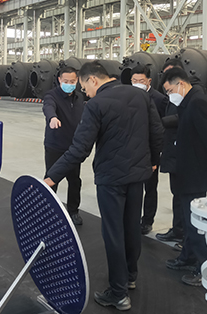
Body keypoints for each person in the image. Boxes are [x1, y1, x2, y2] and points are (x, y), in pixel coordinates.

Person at [44, 61, 164, 311]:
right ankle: (130, 277)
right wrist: (153, 161)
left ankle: (118, 293)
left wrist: (51, 177)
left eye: (84, 87)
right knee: (131, 227)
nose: (85, 93)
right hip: (137, 175)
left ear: (93, 80)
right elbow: (157, 131)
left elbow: (80, 149)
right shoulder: (140, 95)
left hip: (111, 179)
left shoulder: (96, 104)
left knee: (113, 233)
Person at [162, 67, 207, 286]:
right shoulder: (187, 102)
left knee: (195, 225)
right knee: (187, 220)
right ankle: (187, 257)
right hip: (185, 171)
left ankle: (206, 269)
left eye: (169, 90)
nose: (169, 95)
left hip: (195, 174)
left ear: (181, 84)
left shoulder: (198, 102)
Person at [42, 66, 85, 225]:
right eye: (66, 81)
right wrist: (52, 118)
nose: (69, 84)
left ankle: (73, 211)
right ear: (59, 80)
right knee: (51, 178)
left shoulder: (79, 98)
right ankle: (47, 210)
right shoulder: (51, 95)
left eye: (72, 81)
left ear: (77, 80)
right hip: (55, 145)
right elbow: (48, 106)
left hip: (73, 147)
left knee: (74, 181)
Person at [130, 64, 168, 235]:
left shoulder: (159, 99)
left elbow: (162, 128)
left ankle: (147, 221)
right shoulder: (128, 96)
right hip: (132, 150)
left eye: (141, 81)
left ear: (149, 81)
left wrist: (155, 156)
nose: (137, 83)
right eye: (134, 80)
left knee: (150, 188)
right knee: (133, 187)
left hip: (151, 150)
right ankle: (132, 218)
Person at [155, 59, 186, 249]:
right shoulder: (170, 95)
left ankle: (187, 238)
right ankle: (178, 229)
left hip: (185, 153)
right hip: (172, 150)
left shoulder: (192, 95)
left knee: (187, 197)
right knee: (177, 193)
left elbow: (184, 117)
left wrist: (161, 122)